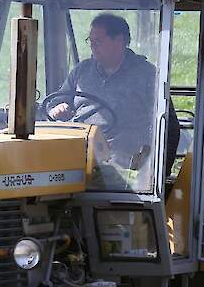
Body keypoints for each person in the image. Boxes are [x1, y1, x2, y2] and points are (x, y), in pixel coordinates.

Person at [49, 13, 178, 173]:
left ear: (119, 41)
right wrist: (57, 108)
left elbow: (170, 128)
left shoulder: (147, 75)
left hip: (124, 167)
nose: (92, 46)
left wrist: (157, 174)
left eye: (98, 41)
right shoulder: (82, 71)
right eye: (91, 41)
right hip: (77, 158)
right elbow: (56, 101)